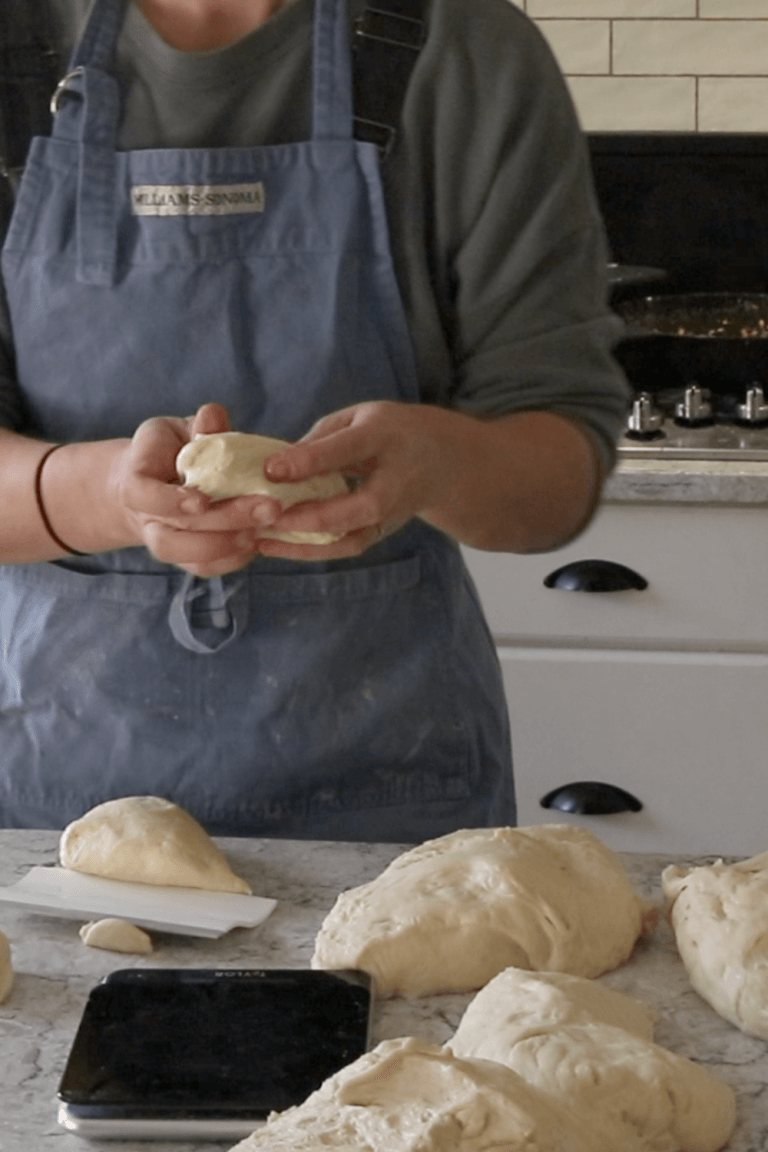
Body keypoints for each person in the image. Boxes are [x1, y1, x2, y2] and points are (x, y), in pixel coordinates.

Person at [0, 0, 629, 840]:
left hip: (391, 814)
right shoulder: (14, 43)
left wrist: (437, 463)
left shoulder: (465, 51)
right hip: (53, 824)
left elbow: (556, 475)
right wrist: (110, 498)